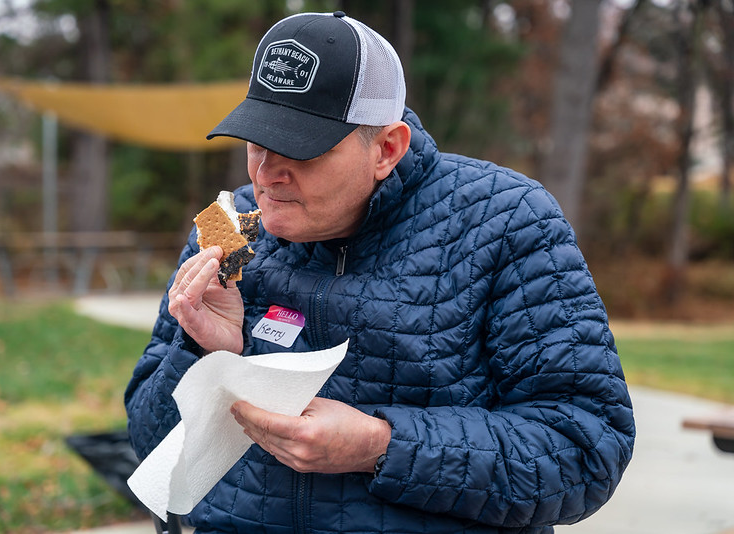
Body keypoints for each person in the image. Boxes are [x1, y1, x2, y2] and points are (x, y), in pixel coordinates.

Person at [125, 11, 635, 533]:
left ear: (386, 149)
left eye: (300, 149)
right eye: (257, 142)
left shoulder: (505, 221)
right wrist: (205, 355)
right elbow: (146, 443)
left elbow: (586, 450)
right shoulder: (229, 229)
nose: (266, 175)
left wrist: (381, 446)